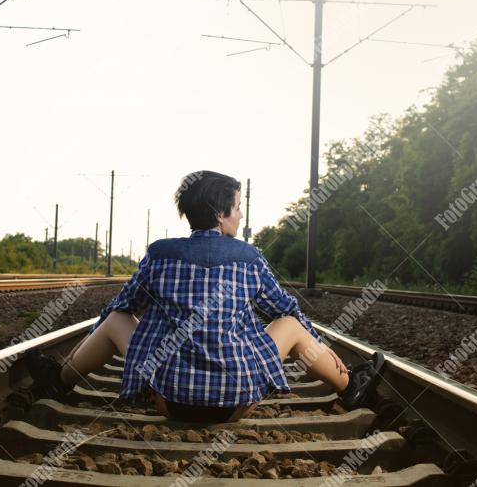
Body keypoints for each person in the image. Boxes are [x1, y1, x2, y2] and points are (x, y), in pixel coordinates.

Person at [28, 170, 384, 422]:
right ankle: (350, 385)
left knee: (117, 319)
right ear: (220, 213)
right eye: (238, 207)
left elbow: (122, 309)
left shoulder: (160, 253)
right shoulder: (249, 257)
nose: (241, 215)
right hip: (237, 404)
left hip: (169, 402)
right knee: (289, 324)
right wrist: (322, 344)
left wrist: (79, 350)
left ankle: (59, 381)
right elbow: (287, 311)